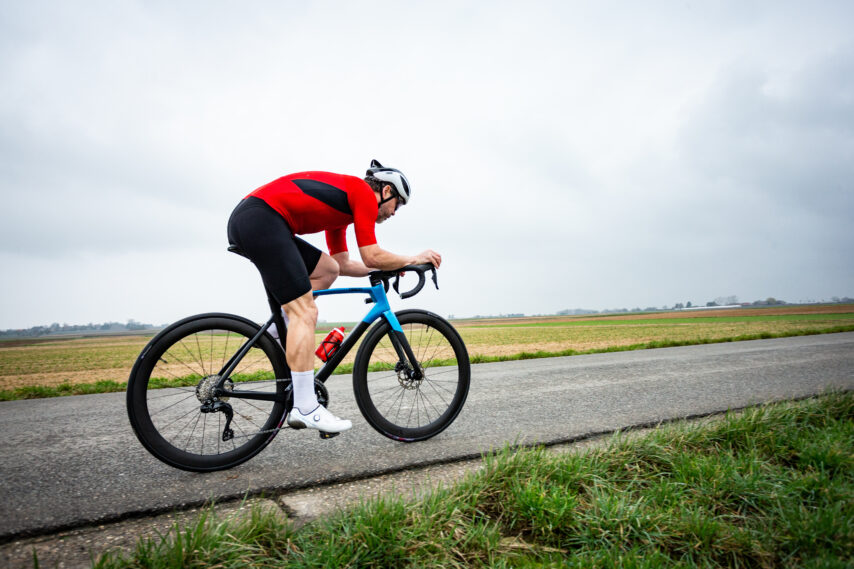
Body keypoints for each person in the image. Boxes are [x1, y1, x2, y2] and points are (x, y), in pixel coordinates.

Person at [226, 160, 442, 433]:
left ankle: (277, 333)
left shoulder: (343, 210)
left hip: (257, 219)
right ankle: (306, 407)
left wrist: (393, 266)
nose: (395, 212)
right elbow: (371, 254)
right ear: (386, 190)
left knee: (326, 269)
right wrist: (411, 259)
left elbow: (342, 264)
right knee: (305, 312)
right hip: (261, 219)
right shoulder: (362, 193)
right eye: (397, 204)